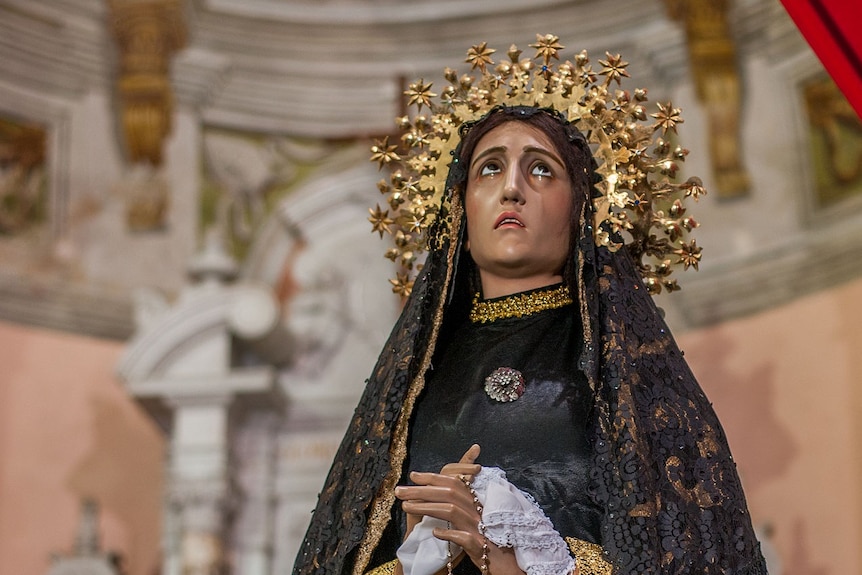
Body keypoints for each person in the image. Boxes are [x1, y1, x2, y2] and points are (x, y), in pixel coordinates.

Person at [293, 35, 767, 575]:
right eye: (489, 168)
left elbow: (678, 555)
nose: (512, 188)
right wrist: (421, 554)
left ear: (584, 214)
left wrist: (497, 553)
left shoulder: (624, 373)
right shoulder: (414, 383)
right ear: (460, 218)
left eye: (541, 169)